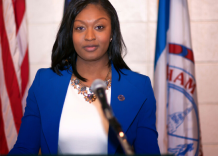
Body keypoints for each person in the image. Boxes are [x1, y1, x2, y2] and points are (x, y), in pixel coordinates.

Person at [9, 0, 160, 154]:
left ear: (112, 33)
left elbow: (148, 151)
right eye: (80, 28)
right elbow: (25, 148)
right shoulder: (44, 82)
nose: (89, 36)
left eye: (99, 27)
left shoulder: (139, 87)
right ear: (70, 34)